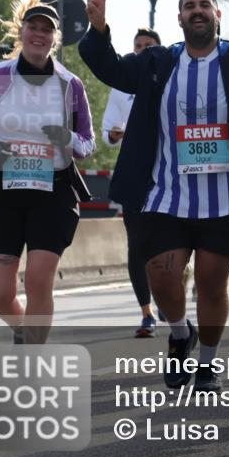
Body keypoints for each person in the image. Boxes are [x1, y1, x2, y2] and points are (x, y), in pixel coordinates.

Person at [79, 0, 229, 392]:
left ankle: (207, 363)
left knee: (211, 283)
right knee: (162, 276)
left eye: (203, 5)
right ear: (179, 18)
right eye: (188, 6)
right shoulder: (158, 62)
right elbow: (109, 68)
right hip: (167, 195)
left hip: (227, 198)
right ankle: (181, 333)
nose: (197, 11)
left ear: (218, 14)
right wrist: (99, 29)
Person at [0, 0, 95, 345]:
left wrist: (67, 138)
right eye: (34, 27)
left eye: (47, 30)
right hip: (2, 191)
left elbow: (88, 143)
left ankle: (34, 358)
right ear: (21, 33)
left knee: (38, 280)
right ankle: (23, 329)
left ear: (55, 38)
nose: (40, 35)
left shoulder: (70, 84)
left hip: (53, 192)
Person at [100, 28, 162, 338]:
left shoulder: (170, 78)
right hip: (134, 173)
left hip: (167, 172)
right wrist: (113, 134)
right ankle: (147, 313)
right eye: (138, 45)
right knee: (137, 245)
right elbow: (107, 130)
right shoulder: (122, 84)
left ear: (159, 49)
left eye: (149, 45)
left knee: (167, 244)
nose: (142, 50)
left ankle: (170, 293)